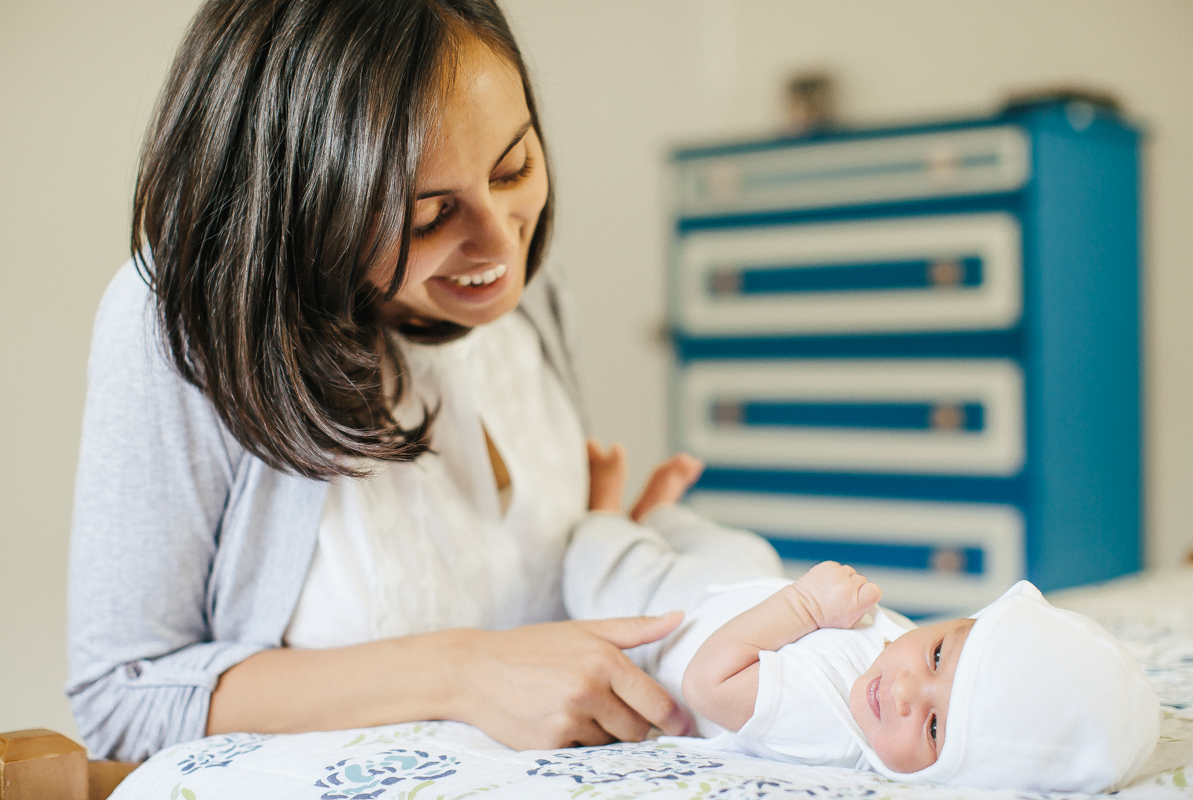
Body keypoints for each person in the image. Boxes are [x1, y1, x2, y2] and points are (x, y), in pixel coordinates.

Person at [66, 0, 706, 762]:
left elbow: (531, 626)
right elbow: (122, 697)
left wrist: (609, 550)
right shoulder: (176, 320)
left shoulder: (523, 283)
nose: (500, 241)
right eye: (431, 216)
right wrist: (458, 673)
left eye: (515, 167)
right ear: (305, 212)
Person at [569, 443, 1162, 794]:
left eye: (934, 728)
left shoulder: (827, 724)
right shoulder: (899, 679)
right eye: (936, 656)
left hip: (676, 621)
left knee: (607, 576)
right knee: (737, 548)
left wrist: (802, 605)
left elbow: (707, 682)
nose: (905, 690)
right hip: (747, 590)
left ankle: (604, 513)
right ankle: (662, 514)